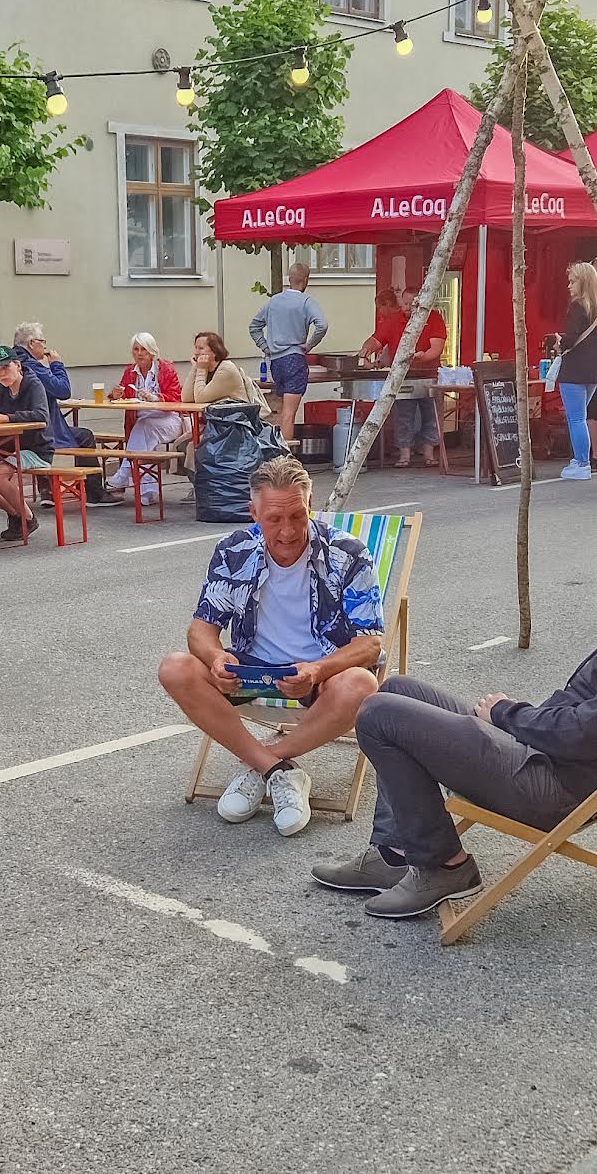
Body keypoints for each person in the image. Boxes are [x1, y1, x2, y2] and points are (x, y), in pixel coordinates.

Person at [312, 495, 597, 918]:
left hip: (553, 786)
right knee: (400, 690)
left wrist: (507, 715)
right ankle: (393, 853)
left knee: (378, 714)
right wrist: (517, 722)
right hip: (540, 754)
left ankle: (443, 866)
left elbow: (585, 732)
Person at [158, 456, 383, 839]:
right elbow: (201, 629)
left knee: (361, 685)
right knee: (174, 668)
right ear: (253, 513)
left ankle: (262, 765)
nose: (288, 531)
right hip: (252, 671)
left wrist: (319, 670)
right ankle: (277, 771)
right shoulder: (234, 550)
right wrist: (215, 659)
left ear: (310, 505)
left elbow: (371, 642)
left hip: (320, 673)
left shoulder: (347, 551)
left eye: (297, 516)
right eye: (274, 519)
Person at [15, 321, 108, 506]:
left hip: (20, 432)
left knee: (42, 437)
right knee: (85, 436)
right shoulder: (31, 365)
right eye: (43, 341)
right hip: (40, 431)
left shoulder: (9, 364)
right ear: (32, 343)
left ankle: (47, 490)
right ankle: (95, 494)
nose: (45, 346)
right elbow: (63, 390)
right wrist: (56, 364)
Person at [358, 289, 446, 467]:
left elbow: (436, 347)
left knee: (431, 415)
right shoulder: (394, 320)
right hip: (403, 376)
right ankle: (404, 455)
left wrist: (424, 356)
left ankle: (429, 453)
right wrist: (365, 350)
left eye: (410, 304)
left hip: (429, 374)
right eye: (404, 303)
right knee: (403, 415)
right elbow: (376, 340)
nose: (406, 307)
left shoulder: (434, 318)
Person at [248, 261, 329, 443]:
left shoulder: (273, 301)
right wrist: (309, 345)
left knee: (281, 409)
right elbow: (322, 325)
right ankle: (285, 459)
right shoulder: (306, 302)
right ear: (305, 280)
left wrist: (266, 347)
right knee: (289, 414)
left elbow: (254, 326)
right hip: (294, 359)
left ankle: (276, 452)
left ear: (290, 279)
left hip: (276, 361)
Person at [0, 343, 50, 542]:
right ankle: (15, 512)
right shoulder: (0, 389)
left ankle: (27, 517)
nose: (2, 373)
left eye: (6, 367)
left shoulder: (33, 385)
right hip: (3, 447)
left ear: (17, 365)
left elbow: (41, 415)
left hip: (35, 448)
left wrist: (6, 418)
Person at [110, 332, 187, 506]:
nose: (139, 353)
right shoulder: (130, 372)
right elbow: (123, 396)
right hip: (141, 421)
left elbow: (176, 398)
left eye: (143, 349)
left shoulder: (166, 369)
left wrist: (156, 398)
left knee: (143, 428)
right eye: (136, 349)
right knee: (145, 437)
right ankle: (146, 492)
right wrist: (115, 395)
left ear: (152, 351)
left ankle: (125, 472)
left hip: (169, 420)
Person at [554, 262, 597, 480]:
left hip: (575, 370)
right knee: (581, 416)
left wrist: (560, 342)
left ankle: (582, 462)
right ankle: (580, 460)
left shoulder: (578, 306)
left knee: (576, 418)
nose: (569, 286)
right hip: (593, 371)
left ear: (584, 282)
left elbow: (570, 339)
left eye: (573, 281)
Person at [188, 330, 264, 409]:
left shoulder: (226, 369)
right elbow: (186, 398)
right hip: (217, 418)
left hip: (235, 417)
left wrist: (200, 369)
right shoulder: (204, 367)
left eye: (201, 348)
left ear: (214, 352)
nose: (196, 352)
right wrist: (195, 368)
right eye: (195, 348)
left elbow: (200, 399)